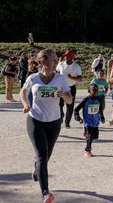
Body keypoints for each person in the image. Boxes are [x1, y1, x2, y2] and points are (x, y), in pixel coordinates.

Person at [20, 49, 72, 203]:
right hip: (35, 120)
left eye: (57, 59)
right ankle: (45, 193)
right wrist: (25, 104)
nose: (56, 62)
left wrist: (63, 95)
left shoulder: (61, 79)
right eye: (53, 60)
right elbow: (23, 91)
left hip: (54, 122)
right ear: (43, 62)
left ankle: (37, 168)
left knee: (46, 155)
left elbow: (69, 101)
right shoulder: (33, 78)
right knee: (43, 155)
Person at [74, 83, 105, 157]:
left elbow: (100, 110)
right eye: (93, 90)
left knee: (95, 137)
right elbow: (76, 109)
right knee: (90, 137)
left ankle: (86, 134)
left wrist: (102, 117)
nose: (95, 92)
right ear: (89, 91)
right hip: (87, 122)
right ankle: (87, 150)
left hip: (96, 122)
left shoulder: (98, 100)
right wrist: (78, 118)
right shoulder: (86, 100)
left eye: (97, 90)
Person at [56, 49, 82, 128]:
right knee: (59, 105)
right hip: (61, 87)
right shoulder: (61, 64)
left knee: (70, 106)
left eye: (69, 56)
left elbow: (80, 78)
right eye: (66, 56)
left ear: (72, 57)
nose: (67, 58)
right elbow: (56, 72)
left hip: (71, 88)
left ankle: (67, 122)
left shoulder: (76, 66)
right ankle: (61, 116)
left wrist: (72, 77)